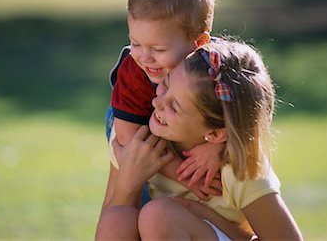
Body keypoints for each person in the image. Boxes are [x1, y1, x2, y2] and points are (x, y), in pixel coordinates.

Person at [96, 39, 303, 240]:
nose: (157, 102)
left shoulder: (236, 167)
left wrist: (197, 211)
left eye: (174, 107)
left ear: (214, 135)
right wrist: (128, 182)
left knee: (159, 216)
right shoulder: (137, 140)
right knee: (116, 219)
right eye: (165, 85)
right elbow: (110, 230)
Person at [104, 0, 224, 209]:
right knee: (141, 195)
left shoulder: (211, 68)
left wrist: (218, 148)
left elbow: (246, 111)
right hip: (134, 128)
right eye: (136, 43)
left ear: (199, 42)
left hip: (181, 127)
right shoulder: (134, 71)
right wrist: (185, 175)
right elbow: (128, 139)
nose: (144, 57)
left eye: (158, 48)